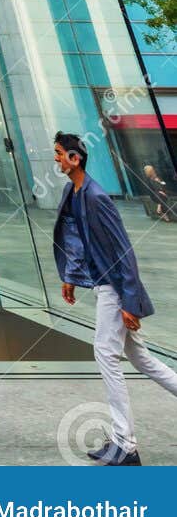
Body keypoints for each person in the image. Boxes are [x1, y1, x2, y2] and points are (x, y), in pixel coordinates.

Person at [53, 131, 177, 465]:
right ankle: (123, 442)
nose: (56, 159)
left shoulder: (95, 196)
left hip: (114, 287)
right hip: (100, 283)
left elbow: (123, 250)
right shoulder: (73, 192)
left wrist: (128, 303)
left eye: (59, 153)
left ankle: (125, 444)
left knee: (105, 354)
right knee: (141, 359)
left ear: (75, 158)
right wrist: (71, 277)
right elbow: (78, 240)